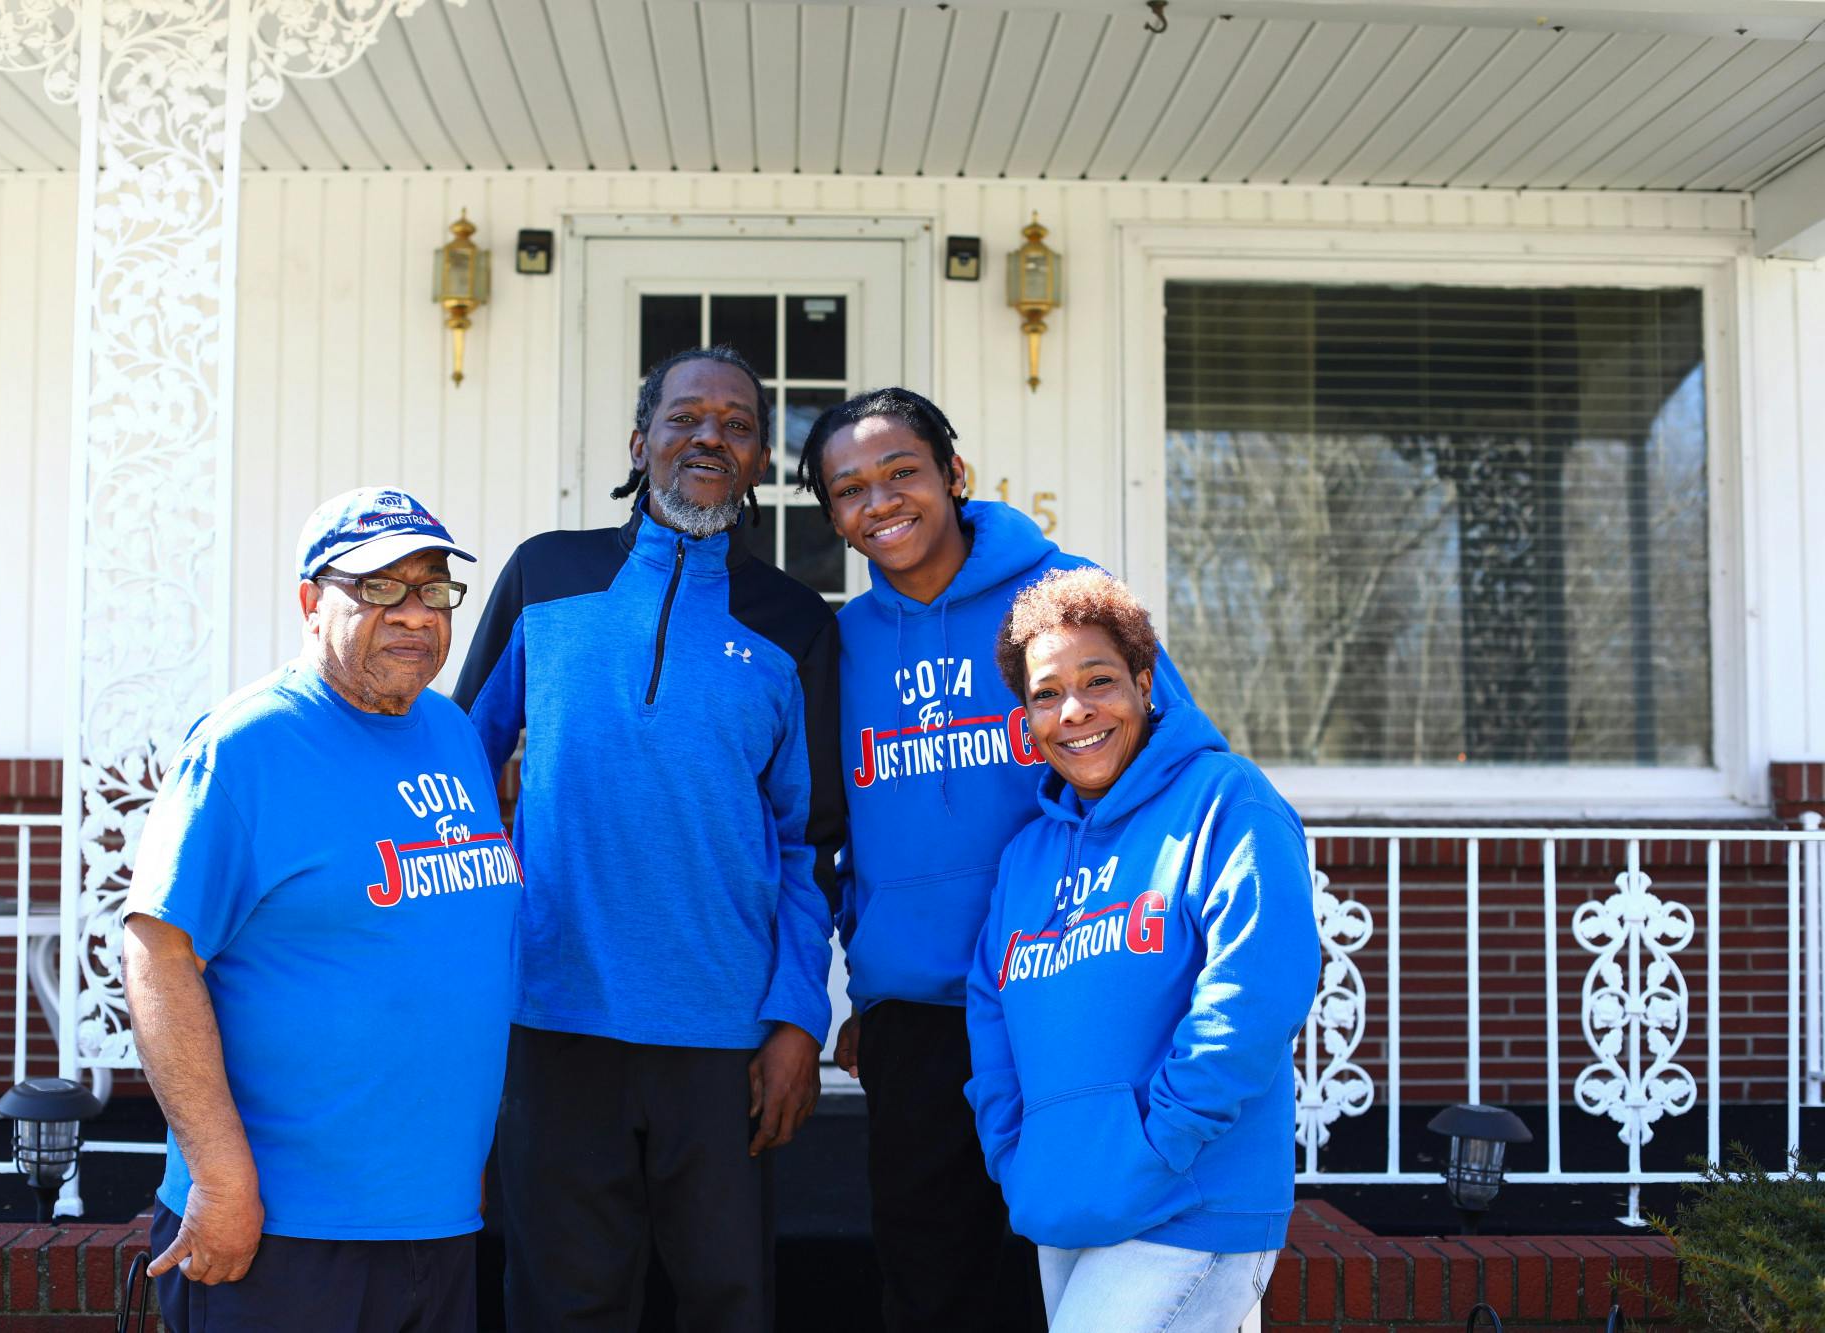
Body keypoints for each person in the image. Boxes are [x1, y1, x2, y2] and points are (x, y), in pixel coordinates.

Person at [451, 345, 843, 1332]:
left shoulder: (793, 623)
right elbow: (454, 778)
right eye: (683, 417)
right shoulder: (546, 575)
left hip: (723, 1038)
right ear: (640, 441)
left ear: (757, 462)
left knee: (727, 1303)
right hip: (553, 1017)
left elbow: (810, 848)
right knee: (559, 1303)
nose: (708, 435)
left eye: (738, 424)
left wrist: (798, 1017)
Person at [122, 487, 521, 1333]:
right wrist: (222, 1178)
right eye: (380, 588)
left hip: (434, 1219)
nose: (415, 615)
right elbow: (157, 957)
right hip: (283, 1230)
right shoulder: (247, 746)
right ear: (312, 602)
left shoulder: (452, 732)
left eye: (432, 590)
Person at [793, 387, 1123, 1330]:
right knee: (930, 1279)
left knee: (1070, 1275)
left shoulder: (1063, 601)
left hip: (1064, 989)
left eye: (903, 472)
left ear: (955, 476)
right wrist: (865, 983)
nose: (881, 500)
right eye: (850, 488)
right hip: (919, 1016)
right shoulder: (842, 644)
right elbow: (829, 830)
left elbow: (1161, 770)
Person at [965, 567, 1317, 1332]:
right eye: (1046, 694)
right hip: (1062, 1197)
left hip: (1192, 1200)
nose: (1075, 711)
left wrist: (1165, 1140)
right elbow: (990, 1013)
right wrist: (1014, 1149)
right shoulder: (1027, 857)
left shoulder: (1226, 801)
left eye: (1098, 680)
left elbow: (1256, 992)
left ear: (1145, 681)